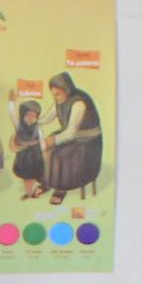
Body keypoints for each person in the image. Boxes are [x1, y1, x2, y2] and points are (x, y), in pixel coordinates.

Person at [39, 72, 104, 201]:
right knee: (46, 149)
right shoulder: (59, 99)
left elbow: (71, 133)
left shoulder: (79, 103)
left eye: (57, 94)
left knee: (61, 154)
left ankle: (61, 189)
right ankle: (47, 182)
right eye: (53, 94)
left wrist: (51, 141)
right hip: (71, 135)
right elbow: (47, 117)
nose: (55, 97)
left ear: (66, 90)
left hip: (87, 142)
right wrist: (32, 121)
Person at [11, 97, 49, 195]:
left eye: (34, 116)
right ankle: (28, 193)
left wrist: (44, 154)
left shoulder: (37, 128)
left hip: (35, 155)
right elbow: (13, 116)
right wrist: (11, 102)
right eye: (28, 115)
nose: (30, 119)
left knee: (33, 174)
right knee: (26, 175)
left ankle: (32, 191)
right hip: (24, 156)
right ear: (23, 115)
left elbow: (41, 141)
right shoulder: (19, 126)